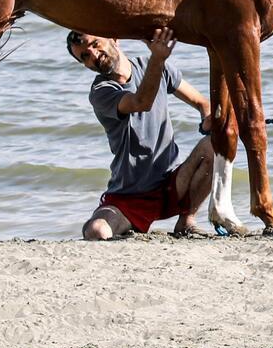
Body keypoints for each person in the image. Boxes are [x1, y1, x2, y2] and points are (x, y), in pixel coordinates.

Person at [68, 28, 217, 239]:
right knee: (96, 231)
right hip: (129, 196)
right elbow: (141, 102)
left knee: (214, 144)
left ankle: (186, 220)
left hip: (172, 184)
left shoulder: (152, 65)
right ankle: (130, 225)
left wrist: (208, 119)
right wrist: (158, 57)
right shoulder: (102, 91)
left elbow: (202, 102)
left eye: (94, 44)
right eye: (84, 56)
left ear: (114, 38)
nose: (93, 54)